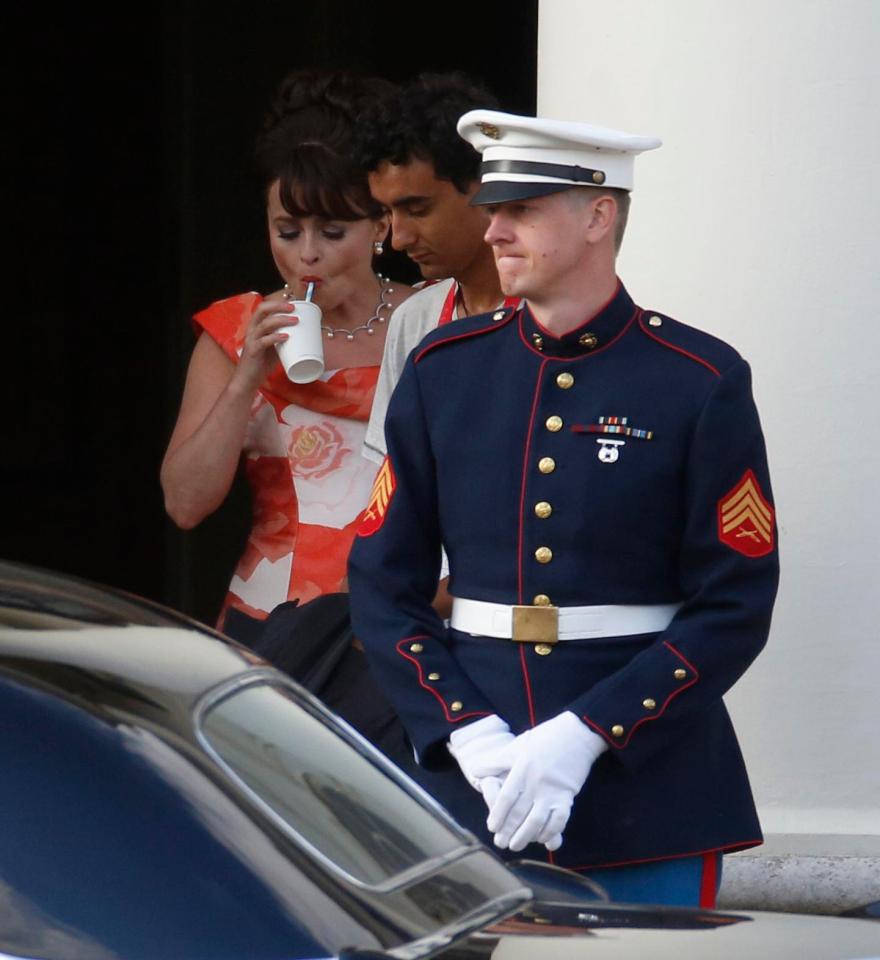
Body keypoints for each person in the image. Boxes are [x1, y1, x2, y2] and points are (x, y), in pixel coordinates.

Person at [348, 109, 779, 907]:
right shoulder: (444, 371)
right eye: (492, 210)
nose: (496, 232)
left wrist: (591, 733)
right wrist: (461, 728)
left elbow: (734, 604)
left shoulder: (697, 378)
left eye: (522, 211)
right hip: (476, 792)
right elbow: (381, 581)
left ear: (598, 215)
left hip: (650, 787)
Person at [161, 70, 411, 640]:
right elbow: (185, 505)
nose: (307, 255)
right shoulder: (236, 332)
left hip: (408, 613)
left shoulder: (436, 318)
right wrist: (247, 374)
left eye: (332, 230)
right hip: (277, 620)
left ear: (380, 225)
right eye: (287, 229)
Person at [354, 73, 519, 467]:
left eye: (417, 210)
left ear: (488, 187)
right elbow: (390, 486)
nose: (399, 238)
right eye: (388, 212)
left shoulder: (558, 314)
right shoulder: (415, 319)